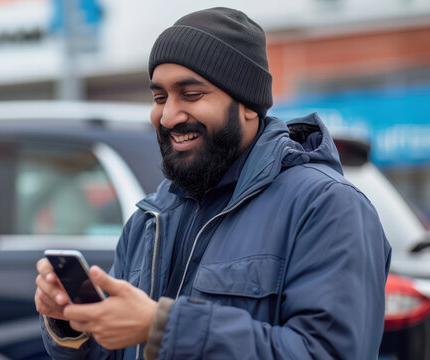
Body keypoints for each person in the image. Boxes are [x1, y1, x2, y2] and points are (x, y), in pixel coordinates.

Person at [35, 7, 391, 360]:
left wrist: (165, 328)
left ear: (248, 104)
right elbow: (116, 350)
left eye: (191, 95)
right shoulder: (152, 217)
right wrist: (72, 324)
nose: (169, 116)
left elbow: (327, 353)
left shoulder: (327, 207)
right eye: (160, 98)